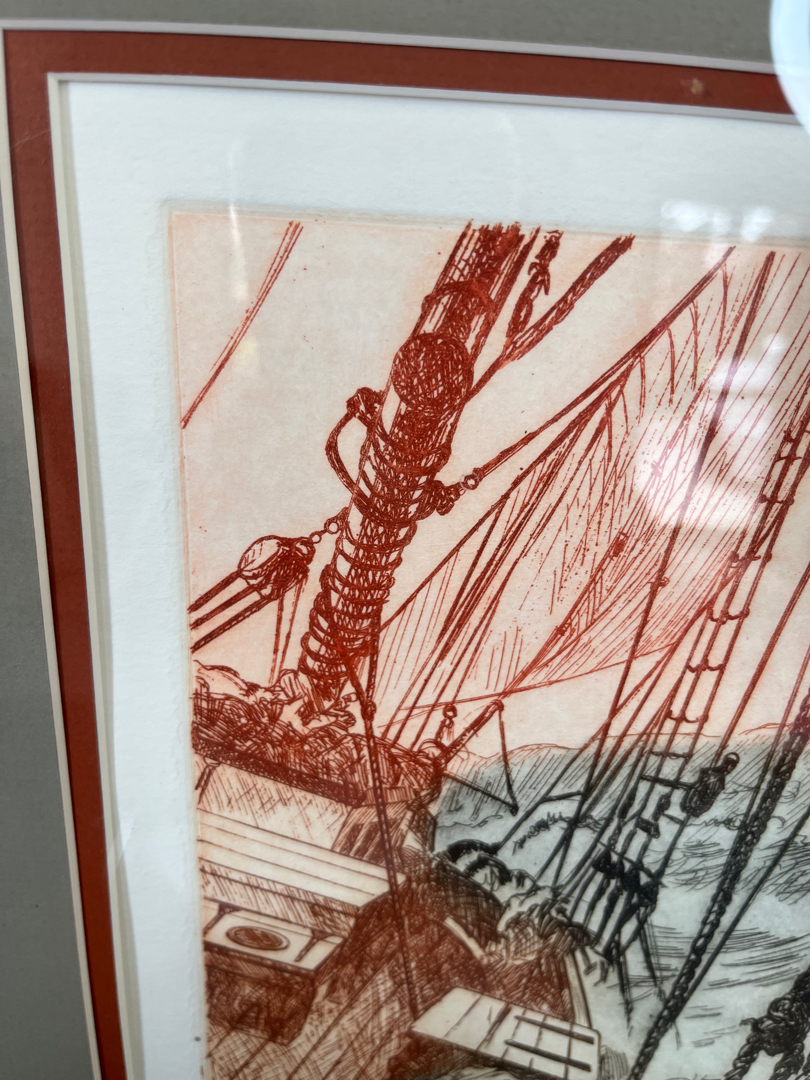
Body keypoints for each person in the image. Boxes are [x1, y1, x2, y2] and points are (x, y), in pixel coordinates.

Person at [724, 970, 810, 1080]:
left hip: (787, 1032)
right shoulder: (788, 1003)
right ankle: (736, 1074)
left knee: (793, 1053)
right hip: (780, 1030)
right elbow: (776, 1014)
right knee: (757, 1042)